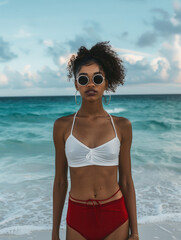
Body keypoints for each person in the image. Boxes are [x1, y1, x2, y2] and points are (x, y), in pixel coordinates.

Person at [52, 41, 139, 240]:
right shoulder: (63, 126)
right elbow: (59, 182)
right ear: (76, 84)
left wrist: (135, 232)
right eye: (83, 79)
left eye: (97, 78)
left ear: (106, 83)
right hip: (77, 217)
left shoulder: (122, 126)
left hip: (115, 215)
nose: (90, 84)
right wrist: (54, 232)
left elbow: (126, 180)